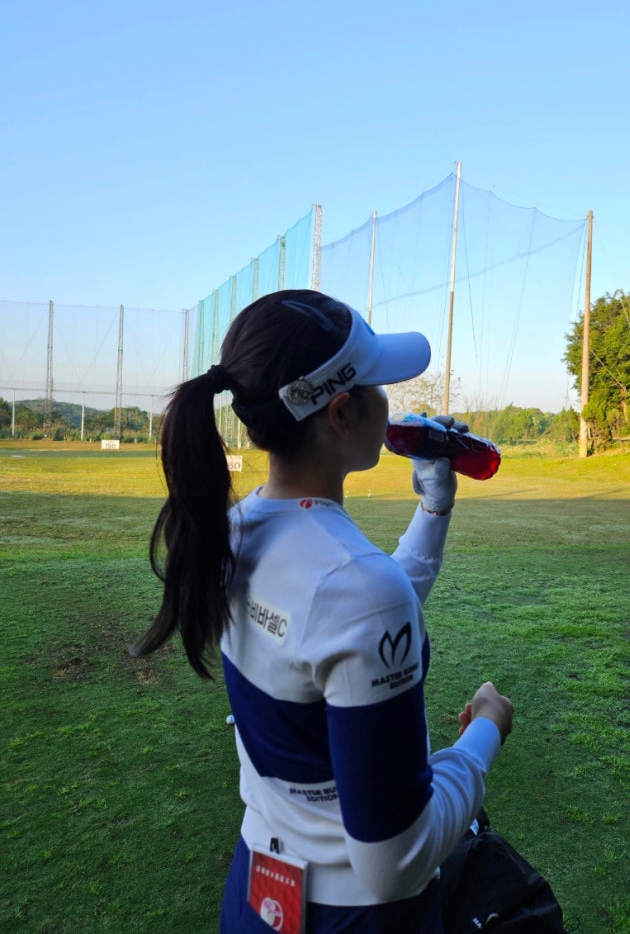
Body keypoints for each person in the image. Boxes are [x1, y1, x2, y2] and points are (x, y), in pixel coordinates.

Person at [134, 289, 513, 933]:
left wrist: (434, 508)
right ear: (341, 413)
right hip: (358, 916)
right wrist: (483, 736)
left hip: (258, 893)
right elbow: (397, 862)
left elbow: (338, 623)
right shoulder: (354, 588)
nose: (391, 401)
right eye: (379, 384)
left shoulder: (234, 529)